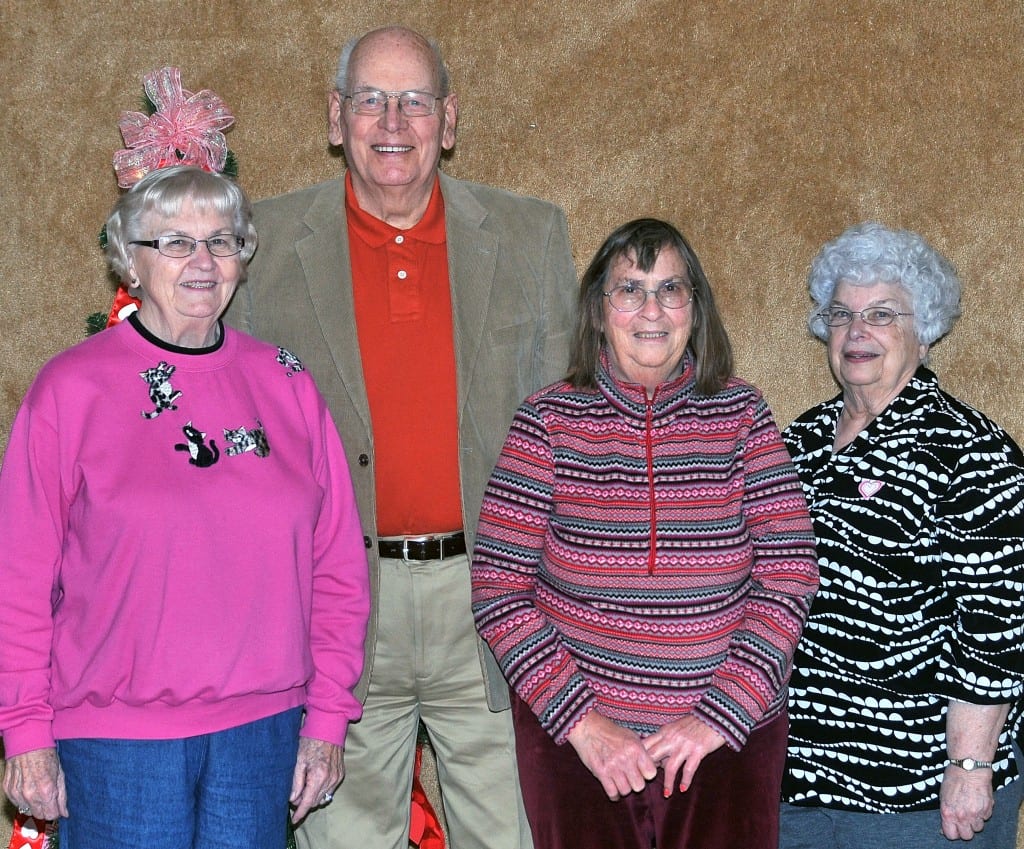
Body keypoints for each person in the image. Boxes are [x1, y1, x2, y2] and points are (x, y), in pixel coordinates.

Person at [224, 25, 577, 849]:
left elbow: (571, 422)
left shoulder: (531, 237)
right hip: (335, 607)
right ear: (336, 116)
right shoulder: (260, 247)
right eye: (371, 100)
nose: (393, 120)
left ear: (447, 121)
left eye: (415, 100)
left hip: (494, 604)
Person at [0, 165, 370, 849]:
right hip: (116, 744)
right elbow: (17, 579)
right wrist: (24, 729)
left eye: (222, 241)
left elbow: (339, 569)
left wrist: (325, 722)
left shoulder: (284, 382)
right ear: (130, 263)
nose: (203, 261)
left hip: (262, 737)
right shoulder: (69, 389)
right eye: (174, 242)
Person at [470, 217, 820, 849]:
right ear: (600, 312)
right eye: (630, 289)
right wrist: (582, 722)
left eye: (670, 289)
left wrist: (720, 714)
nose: (651, 309)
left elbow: (789, 570)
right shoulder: (546, 421)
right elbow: (498, 589)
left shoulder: (743, 415)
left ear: (696, 308)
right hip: (580, 750)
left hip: (726, 743)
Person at [778, 221, 1024, 848]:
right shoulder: (793, 445)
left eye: (882, 314)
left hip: (918, 797)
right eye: (842, 314)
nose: (857, 332)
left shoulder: (973, 454)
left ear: (925, 329)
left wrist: (970, 768)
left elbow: (999, 626)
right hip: (795, 783)